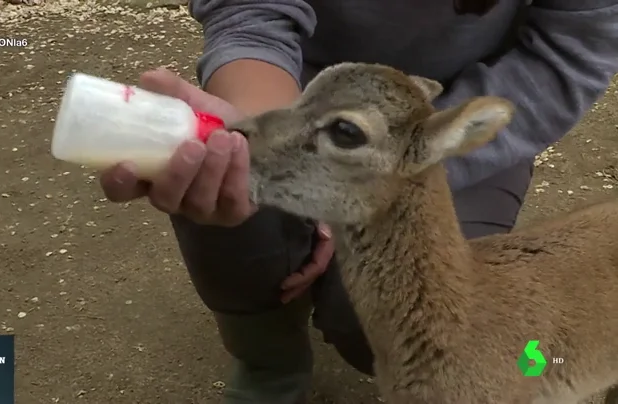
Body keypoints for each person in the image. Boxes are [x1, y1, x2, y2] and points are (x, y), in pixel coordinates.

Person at [100, 1, 618, 403]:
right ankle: (269, 365)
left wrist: (375, 180)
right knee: (220, 174)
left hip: (434, 126)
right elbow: (251, 12)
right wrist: (246, 127)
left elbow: (570, 50)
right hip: (311, 95)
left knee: (450, 339)